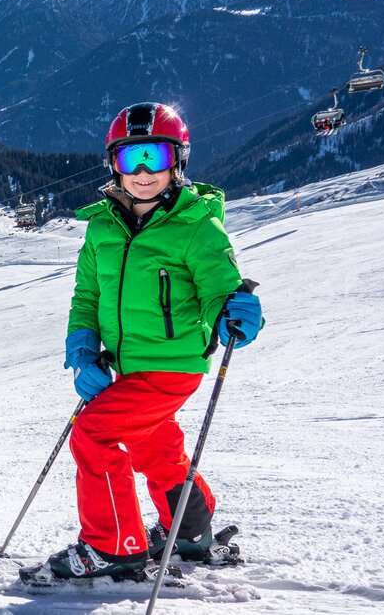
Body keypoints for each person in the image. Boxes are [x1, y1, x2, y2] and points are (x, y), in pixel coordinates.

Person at [34, 102, 264, 582]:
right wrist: (82, 346)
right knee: (153, 447)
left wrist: (230, 314)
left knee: (95, 434)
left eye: (154, 158)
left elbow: (218, 288)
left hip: (172, 365)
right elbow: (87, 294)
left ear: (177, 161)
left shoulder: (197, 224)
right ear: (113, 163)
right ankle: (191, 531)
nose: (142, 173)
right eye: (129, 158)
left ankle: (114, 546)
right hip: (127, 365)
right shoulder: (102, 227)